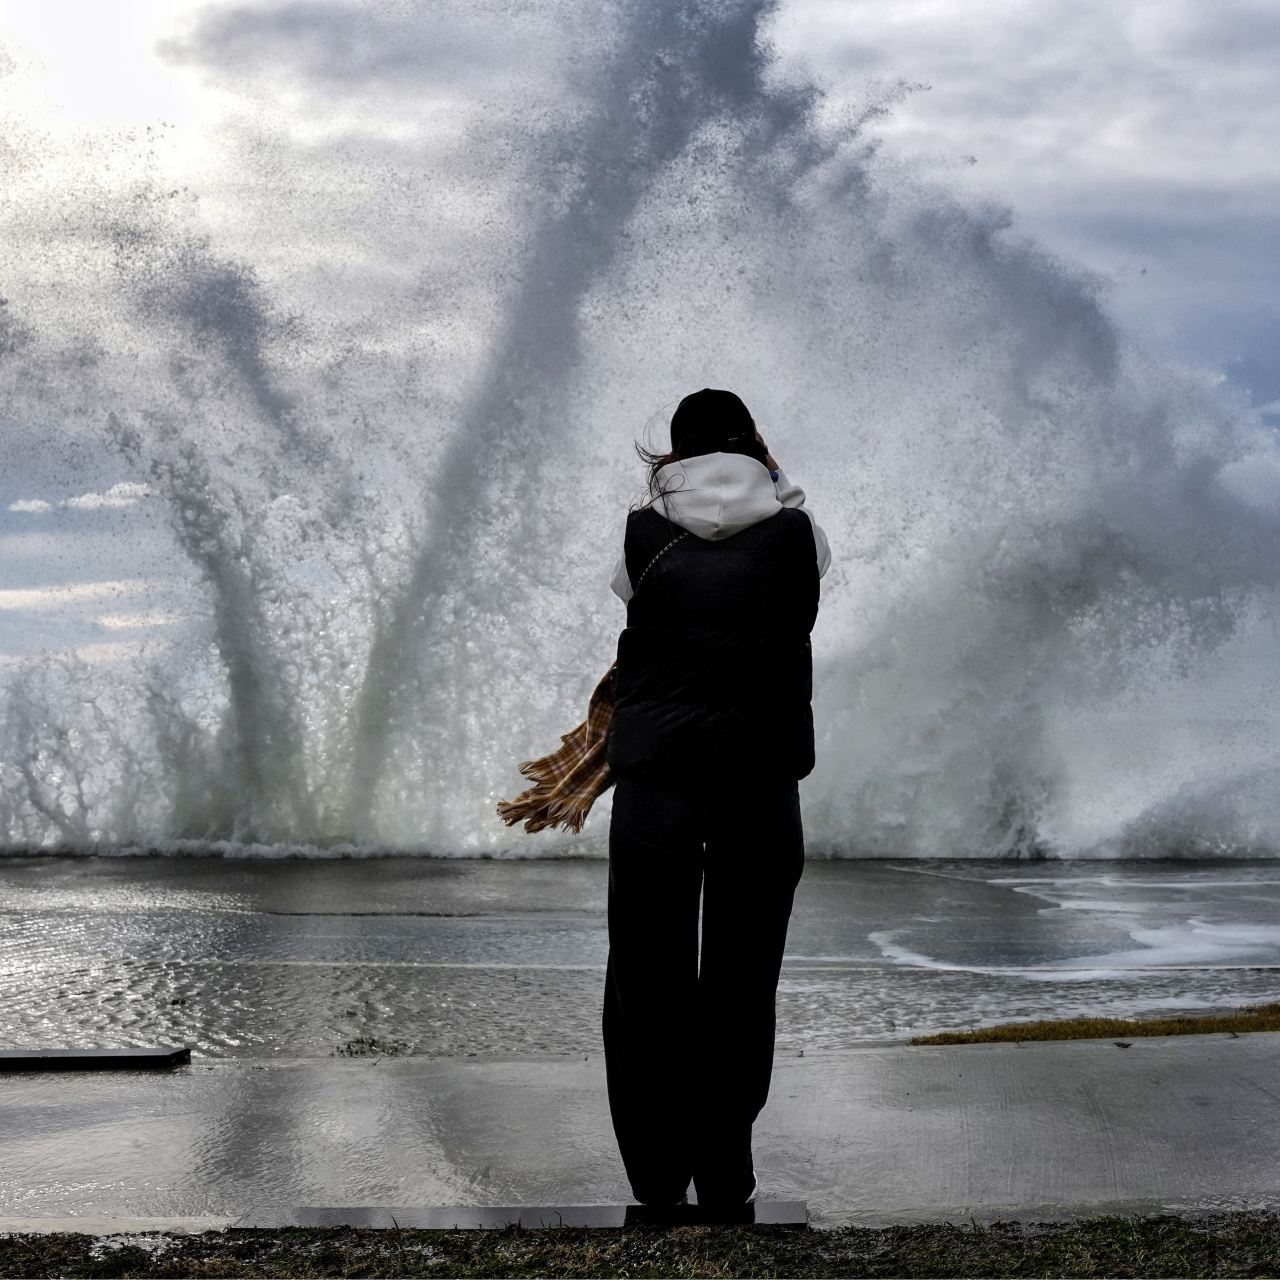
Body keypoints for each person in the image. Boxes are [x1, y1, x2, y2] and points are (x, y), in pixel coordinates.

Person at [604, 387, 831, 1207]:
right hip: (759, 789)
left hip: (656, 792)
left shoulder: (643, 536)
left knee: (647, 980)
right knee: (742, 979)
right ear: (757, 450)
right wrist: (774, 478)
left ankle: (659, 1177)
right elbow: (792, 528)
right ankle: (726, 1172)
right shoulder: (800, 533)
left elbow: (634, 601)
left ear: (674, 456)